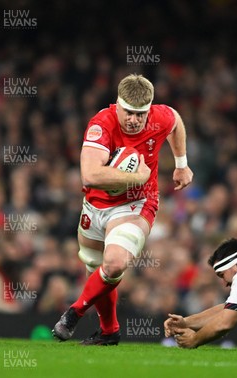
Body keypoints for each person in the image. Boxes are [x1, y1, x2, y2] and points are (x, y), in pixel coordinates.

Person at [52, 74, 193, 345]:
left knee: (115, 263)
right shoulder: (100, 125)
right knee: (98, 270)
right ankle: (109, 332)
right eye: (129, 112)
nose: (135, 119)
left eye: (141, 114)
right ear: (117, 104)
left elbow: (175, 120)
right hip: (95, 205)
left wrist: (181, 163)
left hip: (137, 204)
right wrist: (136, 177)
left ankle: (75, 311)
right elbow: (89, 175)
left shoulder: (158, 117)